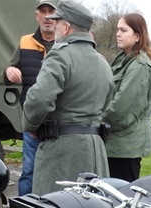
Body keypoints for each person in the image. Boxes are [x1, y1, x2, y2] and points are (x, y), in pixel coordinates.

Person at [22, 0, 114, 195]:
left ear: (66, 27)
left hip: (62, 153)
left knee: (55, 207)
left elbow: (39, 99)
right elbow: (107, 103)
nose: (54, 27)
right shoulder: (103, 63)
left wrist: (31, 125)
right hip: (95, 150)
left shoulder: (60, 56)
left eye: (57, 22)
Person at [4, 1, 57, 196]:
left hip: (59, 123)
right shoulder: (25, 41)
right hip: (32, 123)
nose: (47, 17)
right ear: (37, 16)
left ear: (58, 18)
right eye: (43, 12)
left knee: (56, 173)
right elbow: (8, 71)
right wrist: (9, 72)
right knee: (29, 172)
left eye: (51, 12)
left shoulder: (65, 45)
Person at [102, 13, 151, 183]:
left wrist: (94, 120)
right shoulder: (124, 59)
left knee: (120, 195)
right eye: (117, 30)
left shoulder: (140, 66)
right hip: (116, 143)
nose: (118, 34)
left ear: (137, 36)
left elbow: (122, 109)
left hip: (125, 146)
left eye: (123, 30)